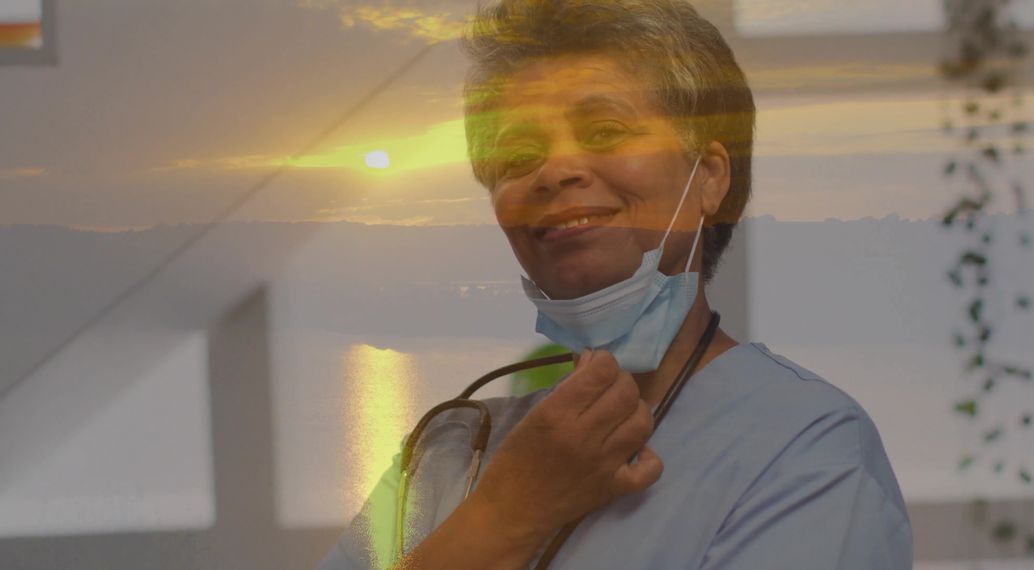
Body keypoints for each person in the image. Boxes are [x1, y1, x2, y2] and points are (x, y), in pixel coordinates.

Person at [319, 1, 913, 568]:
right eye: (518, 153)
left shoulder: (806, 446)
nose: (554, 170)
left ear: (708, 177)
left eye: (604, 131)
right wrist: (506, 513)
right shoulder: (446, 452)